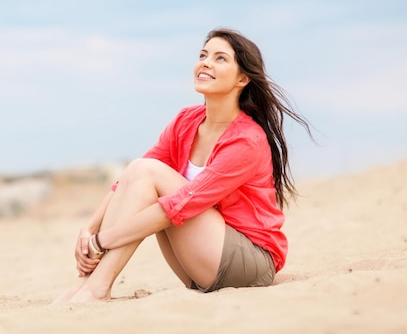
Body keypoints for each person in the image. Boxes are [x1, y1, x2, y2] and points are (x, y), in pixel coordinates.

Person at [55, 27, 312, 302]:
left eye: (220, 58)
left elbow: (178, 206)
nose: (206, 62)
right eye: (203, 55)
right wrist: (89, 228)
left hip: (248, 262)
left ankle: (96, 288)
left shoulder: (247, 140)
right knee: (140, 169)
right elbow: (129, 181)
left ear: (243, 78)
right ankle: (88, 285)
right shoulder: (186, 121)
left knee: (148, 173)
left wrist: (102, 241)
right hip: (200, 259)